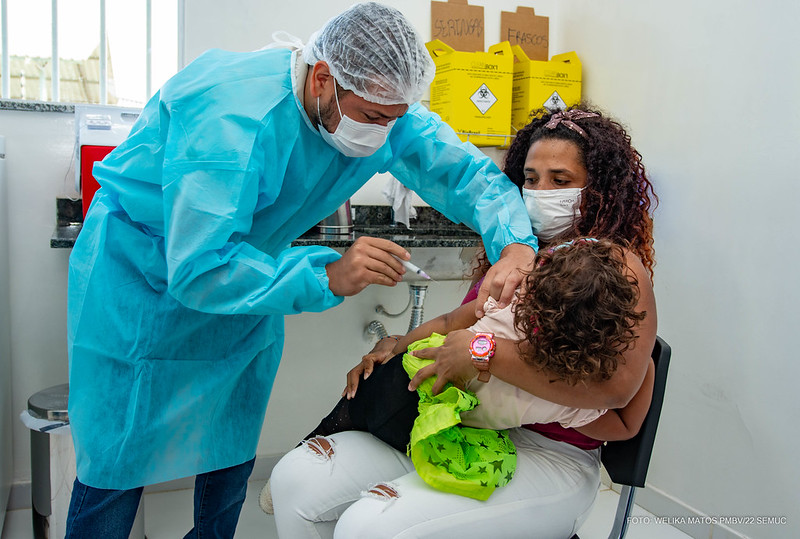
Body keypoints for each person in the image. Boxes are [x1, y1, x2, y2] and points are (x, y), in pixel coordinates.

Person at [64, 3, 538, 537]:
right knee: (118, 456)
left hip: (253, 280)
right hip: (146, 282)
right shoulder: (231, 117)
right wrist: (326, 275)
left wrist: (517, 243)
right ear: (322, 78)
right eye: (375, 118)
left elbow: (463, 173)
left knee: (228, 435)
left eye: (395, 119)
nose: (385, 134)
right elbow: (198, 265)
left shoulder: (381, 108)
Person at [269, 104, 658, 538]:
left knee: (368, 527)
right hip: (464, 422)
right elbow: (460, 319)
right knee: (295, 480)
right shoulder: (514, 248)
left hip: (552, 453)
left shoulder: (614, 267)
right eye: (530, 179)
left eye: (560, 181)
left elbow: (620, 388)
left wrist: (482, 355)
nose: (540, 192)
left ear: (599, 188)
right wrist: (396, 347)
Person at [281, 237, 654, 502]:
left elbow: (445, 322)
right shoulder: (567, 399)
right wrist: (647, 366)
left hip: (410, 383)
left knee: (351, 409)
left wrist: (399, 346)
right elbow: (625, 426)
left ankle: (310, 446)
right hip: (440, 433)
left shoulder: (504, 314)